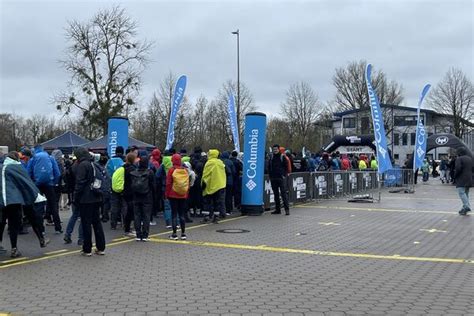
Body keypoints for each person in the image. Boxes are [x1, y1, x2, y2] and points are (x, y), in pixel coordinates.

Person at [0, 151, 50, 258]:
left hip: (3, 201)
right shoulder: (17, 168)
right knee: (27, 219)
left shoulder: (2, 168)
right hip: (16, 199)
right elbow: (26, 182)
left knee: (4, 223)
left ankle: (12, 248)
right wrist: (34, 194)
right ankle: (41, 239)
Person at [72, 147, 106, 256]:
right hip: (96, 196)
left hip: (86, 199)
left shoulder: (82, 165)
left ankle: (87, 249)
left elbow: (80, 183)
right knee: (97, 223)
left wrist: (75, 198)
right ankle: (101, 247)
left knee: (86, 224)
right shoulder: (93, 164)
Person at [27, 144, 62, 234]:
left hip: (37, 185)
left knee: (39, 207)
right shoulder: (50, 158)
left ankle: (41, 229)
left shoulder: (33, 159)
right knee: (53, 205)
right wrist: (53, 182)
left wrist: (33, 183)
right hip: (49, 184)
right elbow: (57, 173)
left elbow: (28, 173)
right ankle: (58, 228)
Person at [130, 154, 155, 241]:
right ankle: (145, 235)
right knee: (146, 216)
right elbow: (153, 185)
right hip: (147, 196)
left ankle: (138, 234)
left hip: (136, 196)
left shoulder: (133, 173)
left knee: (137, 216)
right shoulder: (150, 172)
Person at [166, 154, 190, 240]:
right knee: (181, 214)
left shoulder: (171, 170)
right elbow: (187, 183)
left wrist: (167, 194)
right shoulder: (185, 170)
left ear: (172, 160)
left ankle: (174, 234)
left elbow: (168, 183)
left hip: (173, 194)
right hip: (183, 195)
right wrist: (186, 193)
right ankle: (183, 234)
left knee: (174, 214)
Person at [201, 149, 226, 223]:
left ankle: (206, 217)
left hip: (210, 185)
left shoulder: (209, 162)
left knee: (207, 202)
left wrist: (203, 183)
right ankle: (216, 217)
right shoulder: (220, 162)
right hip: (220, 185)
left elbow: (206, 174)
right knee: (217, 202)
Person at [268, 144, 291, 215]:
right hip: (273, 178)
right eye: (274, 149)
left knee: (283, 194)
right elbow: (269, 166)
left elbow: (286, 166)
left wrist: (283, 175)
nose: (275, 150)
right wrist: (270, 175)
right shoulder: (271, 157)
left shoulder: (282, 157)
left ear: (279, 149)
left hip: (281, 178)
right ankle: (278, 210)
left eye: (276, 149)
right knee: (276, 194)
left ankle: (287, 210)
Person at [454, 147, 472, 215]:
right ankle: (464, 208)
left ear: (459, 152)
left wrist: (455, 176)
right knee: (466, 193)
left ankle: (467, 206)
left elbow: (458, 168)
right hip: (469, 178)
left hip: (461, 178)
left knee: (461, 192)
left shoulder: (459, 159)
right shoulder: (469, 158)